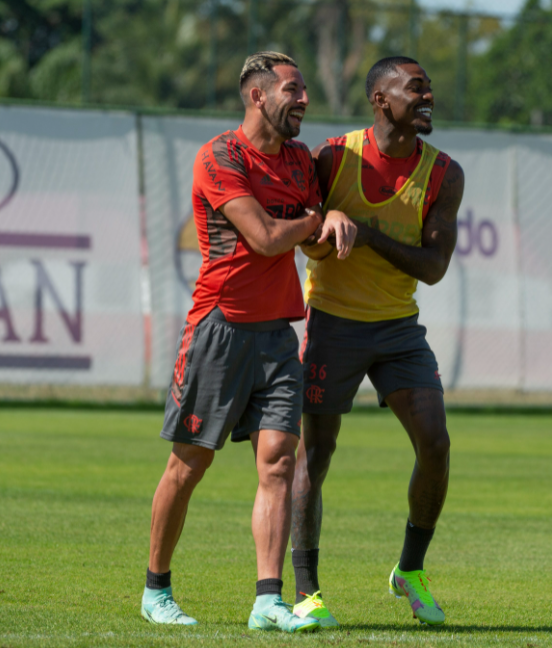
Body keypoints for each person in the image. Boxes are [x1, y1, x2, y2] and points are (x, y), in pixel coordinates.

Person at [141, 51, 356, 633]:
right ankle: (155, 589)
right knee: (189, 464)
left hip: (278, 336)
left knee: (279, 463)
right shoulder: (220, 156)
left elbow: (305, 241)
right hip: (219, 327)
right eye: (293, 88)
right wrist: (317, 219)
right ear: (258, 96)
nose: (305, 98)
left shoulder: (299, 161)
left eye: (307, 87)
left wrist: (328, 222)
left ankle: (268, 600)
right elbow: (264, 237)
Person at [289, 56, 465, 628]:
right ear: (381, 100)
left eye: (430, 88)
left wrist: (365, 235)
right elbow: (307, 228)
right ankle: (308, 591)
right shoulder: (333, 157)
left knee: (435, 444)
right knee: (315, 455)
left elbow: (434, 266)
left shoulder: (444, 173)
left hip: (397, 329)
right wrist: (327, 224)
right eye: (416, 88)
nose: (427, 96)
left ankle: (409, 570)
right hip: (333, 322)